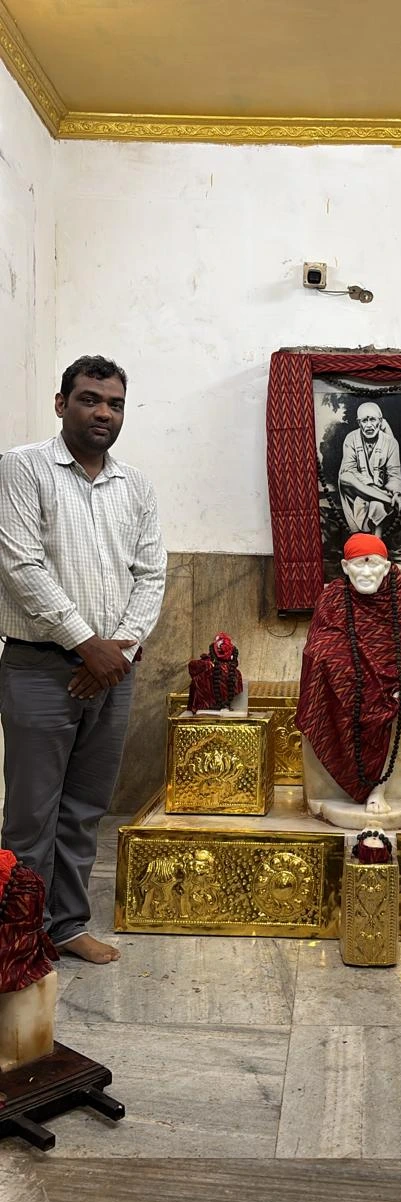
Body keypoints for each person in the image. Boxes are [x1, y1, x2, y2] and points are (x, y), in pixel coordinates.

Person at [0, 355, 167, 964]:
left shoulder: (135, 486)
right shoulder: (23, 468)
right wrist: (85, 644)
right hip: (41, 668)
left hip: (114, 672)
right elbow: (20, 566)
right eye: (90, 399)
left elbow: (151, 574)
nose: (103, 412)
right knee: (30, 816)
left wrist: (117, 650)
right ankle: (19, 939)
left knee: (84, 811)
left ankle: (66, 925)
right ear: (61, 403)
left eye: (114, 403)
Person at [296, 532, 401, 813]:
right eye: (358, 564)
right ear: (345, 567)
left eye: (372, 564)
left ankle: (377, 789)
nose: (366, 573)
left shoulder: (396, 596)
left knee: (382, 706)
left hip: (387, 675)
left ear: (386, 568)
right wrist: (346, 667)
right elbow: (319, 642)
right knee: (325, 658)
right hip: (346, 679)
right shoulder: (334, 596)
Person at [338, 402, 401, 535]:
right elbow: (349, 469)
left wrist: (397, 493)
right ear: (359, 423)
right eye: (364, 420)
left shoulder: (391, 443)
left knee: (377, 505)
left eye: (372, 419)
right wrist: (371, 485)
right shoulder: (351, 438)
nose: (369, 425)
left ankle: (377, 543)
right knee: (346, 476)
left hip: (380, 489)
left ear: (380, 421)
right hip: (356, 490)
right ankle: (387, 499)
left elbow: (394, 474)